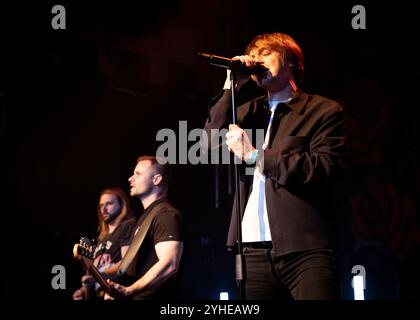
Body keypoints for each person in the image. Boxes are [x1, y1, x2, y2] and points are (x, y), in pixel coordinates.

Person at [203, 32, 348, 300]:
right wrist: (230, 86)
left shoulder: (324, 111)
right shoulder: (247, 112)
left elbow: (325, 167)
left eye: (264, 54)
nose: (255, 60)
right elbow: (209, 143)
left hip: (306, 248)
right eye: (253, 55)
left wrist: (256, 156)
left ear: (291, 60)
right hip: (251, 249)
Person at [105, 155, 184, 300]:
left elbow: (169, 264)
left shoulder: (166, 215)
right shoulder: (145, 218)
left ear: (156, 179)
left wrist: (129, 290)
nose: (130, 178)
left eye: (138, 173)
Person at [72, 187, 136, 300]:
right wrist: (83, 290)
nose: (104, 209)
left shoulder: (127, 226)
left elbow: (127, 264)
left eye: (109, 203)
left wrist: (99, 275)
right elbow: (95, 270)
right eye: (101, 205)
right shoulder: (101, 237)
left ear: (121, 205)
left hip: (117, 294)